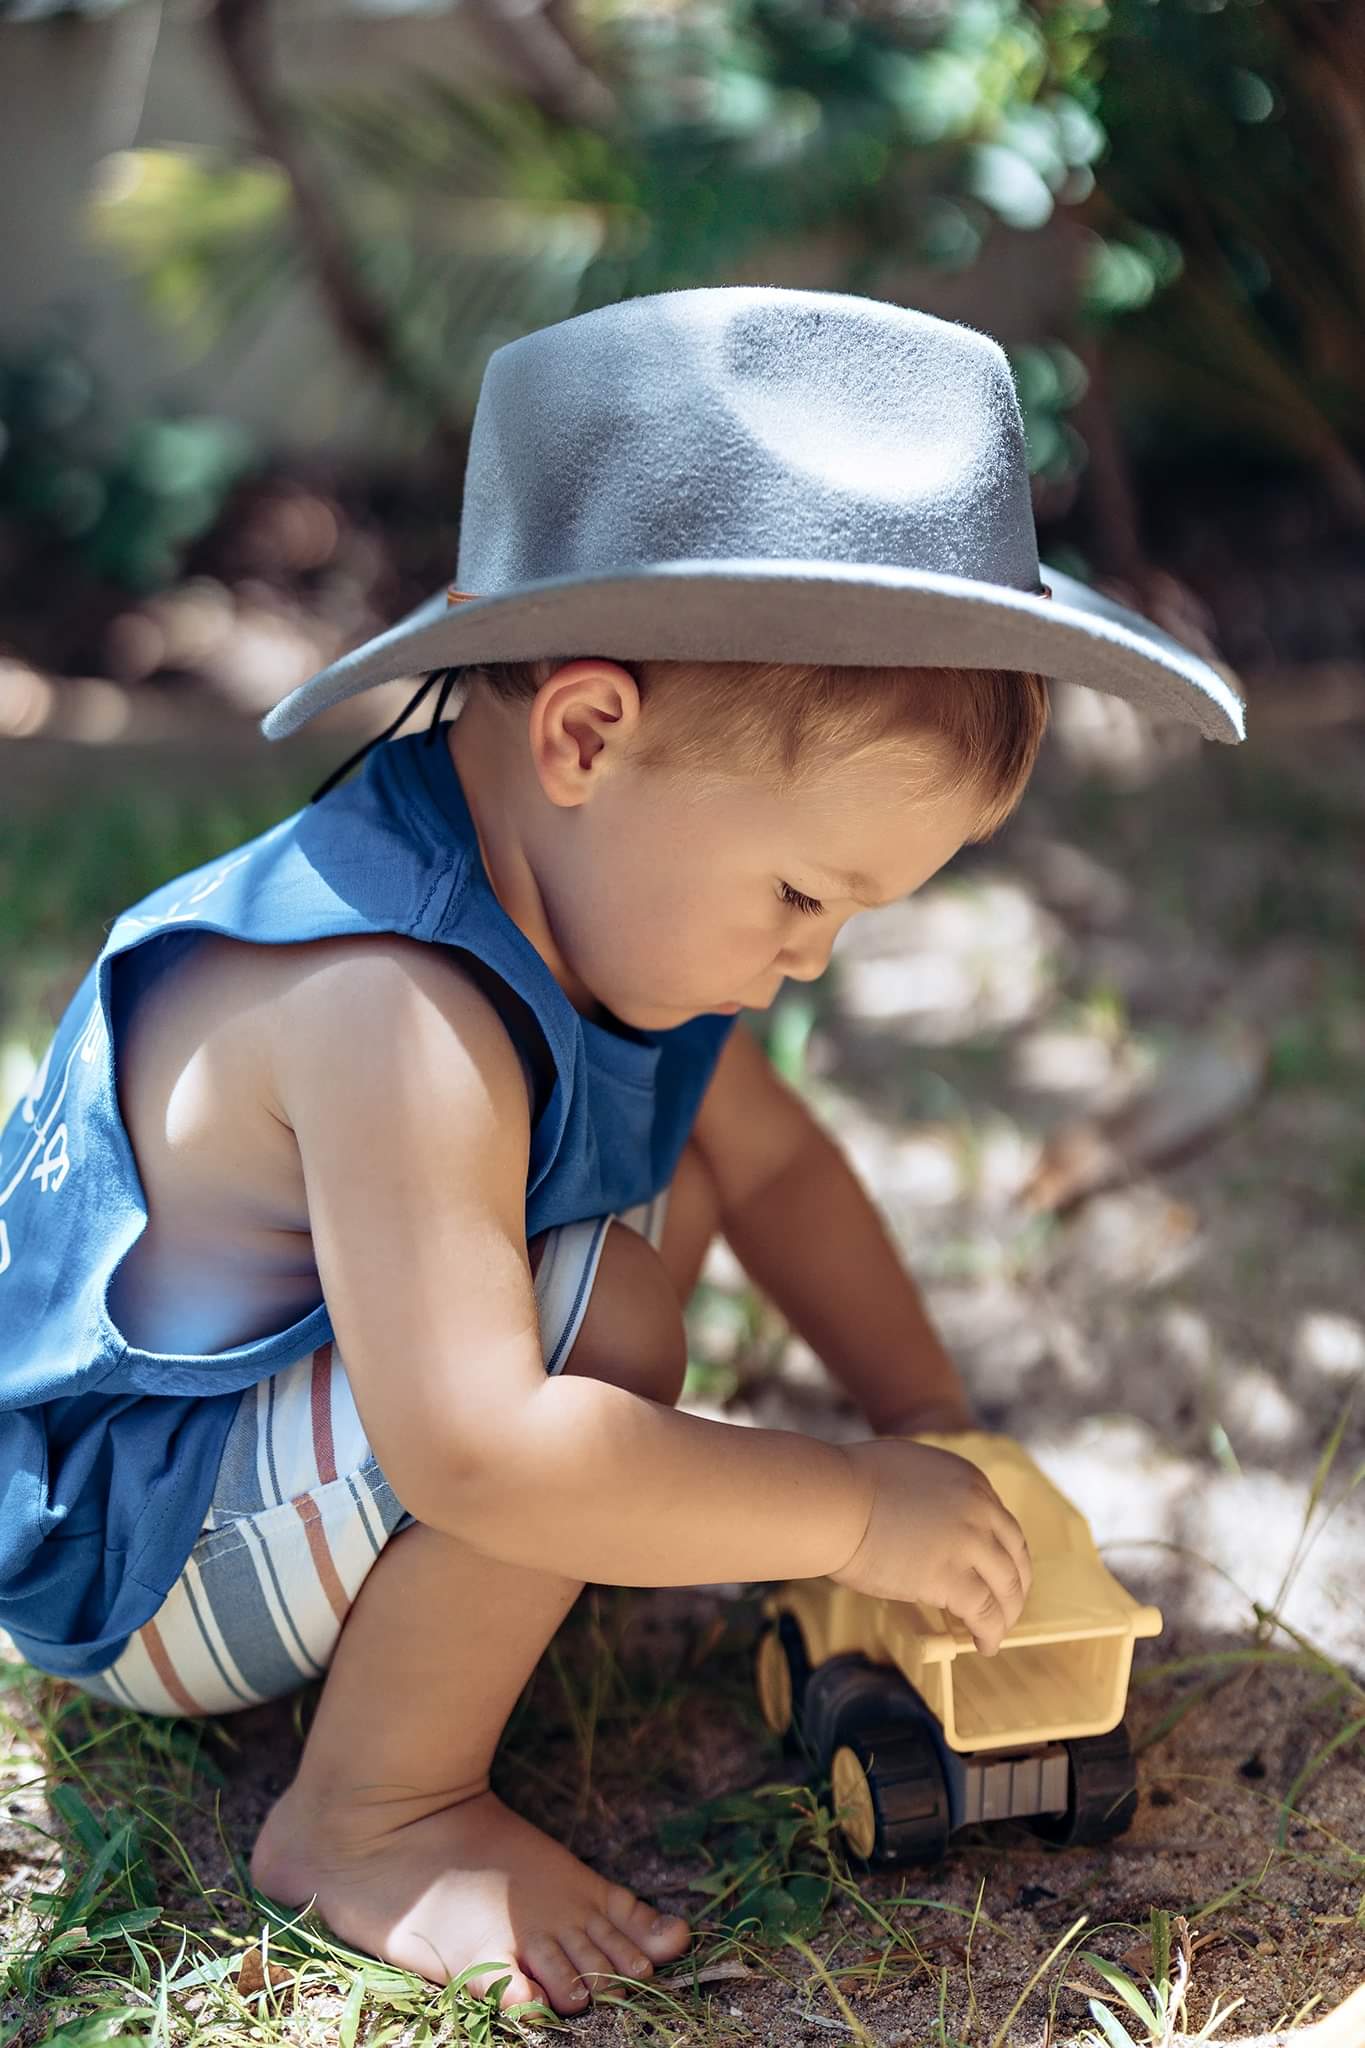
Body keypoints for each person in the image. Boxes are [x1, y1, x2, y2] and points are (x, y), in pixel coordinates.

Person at [0, 288, 1245, 2017]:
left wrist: (922, 1422)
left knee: (691, 1184)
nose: (809, 955)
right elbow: (485, 1453)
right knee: (607, 1326)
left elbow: (785, 1169)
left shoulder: (593, 898)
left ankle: (450, 1641)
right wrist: (843, 1511)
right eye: (802, 894)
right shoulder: (396, 1004)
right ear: (585, 735)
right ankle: (373, 1810)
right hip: (128, 1557)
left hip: (271, 1445)